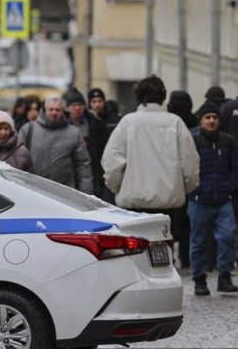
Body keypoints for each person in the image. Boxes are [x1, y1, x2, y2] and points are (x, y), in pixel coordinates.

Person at [101, 75, 199, 218]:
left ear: (138, 96)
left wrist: (116, 188)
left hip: (132, 204)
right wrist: (182, 189)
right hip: (169, 205)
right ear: (163, 96)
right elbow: (190, 165)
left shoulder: (127, 123)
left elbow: (112, 162)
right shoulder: (176, 123)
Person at [187, 101, 238, 295]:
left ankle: (224, 276)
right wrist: (194, 188)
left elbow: (235, 167)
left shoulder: (228, 141)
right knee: (199, 241)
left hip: (223, 200)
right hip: (199, 200)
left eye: (214, 117)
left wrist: (230, 186)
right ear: (201, 120)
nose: (211, 121)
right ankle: (199, 279)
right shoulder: (194, 141)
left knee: (227, 236)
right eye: (207, 117)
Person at [17, 96, 93, 193]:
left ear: (63, 111)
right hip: (33, 190)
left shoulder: (74, 133)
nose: (54, 113)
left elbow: (83, 165)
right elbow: (18, 162)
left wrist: (86, 193)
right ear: (45, 110)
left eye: (57, 110)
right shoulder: (28, 130)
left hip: (65, 192)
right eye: (51, 109)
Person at [167, 90, 199, 268]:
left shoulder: (169, 122)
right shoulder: (193, 122)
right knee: (186, 224)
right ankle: (186, 259)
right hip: (186, 181)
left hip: (169, 179)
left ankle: (169, 257)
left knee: (169, 223)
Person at [64, 88, 109, 199]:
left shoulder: (95, 124)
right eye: (74, 105)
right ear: (68, 108)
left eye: (80, 105)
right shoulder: (62, 126)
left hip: (92, 170)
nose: (77, 108)